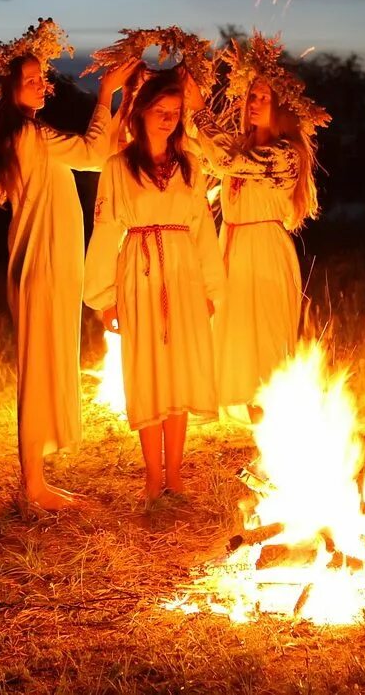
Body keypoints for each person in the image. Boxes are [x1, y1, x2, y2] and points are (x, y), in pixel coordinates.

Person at [0, 19, 137, 510]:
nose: (44, 85)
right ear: (11, 90)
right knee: (38, 369)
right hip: (41, 264)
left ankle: (36, 480)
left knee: (45, 365)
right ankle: (34, 487)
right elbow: (94, 152)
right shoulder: (28, 135)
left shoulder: (24, 132)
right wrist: (107, 94)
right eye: (32, 80)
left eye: (44, 78)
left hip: (43, 262)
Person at [83, 72, 225, 504]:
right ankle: (151, 475)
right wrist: (104, 299)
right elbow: (106, 230)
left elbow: (202, 227)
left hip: (182, 270)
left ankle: (176, 475)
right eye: (161, 112)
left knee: (179, 368)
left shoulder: (190, 165)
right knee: (146, 369)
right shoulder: (118, 167)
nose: (168, 120)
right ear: (142, 111)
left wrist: (209, 287)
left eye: (175, 113)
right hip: (140, 272)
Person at [181, 34, 327, 422]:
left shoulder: (284, 155)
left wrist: (199, 110)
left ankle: (277, 427)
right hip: (231, 242)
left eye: (265, 97)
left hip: (264, 248)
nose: (255, 103)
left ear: (281, 107)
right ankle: (253, 419)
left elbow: (227, 159)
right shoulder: (244, 144)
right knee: (233, 335)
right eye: (252, 96)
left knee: (264, 338)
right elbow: (209, 152)